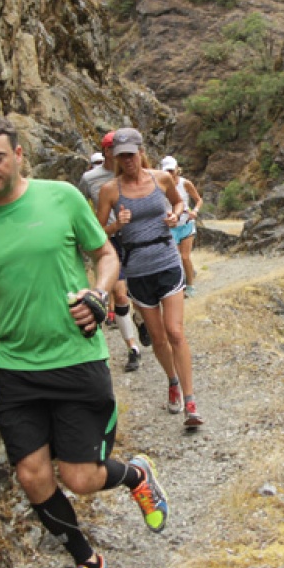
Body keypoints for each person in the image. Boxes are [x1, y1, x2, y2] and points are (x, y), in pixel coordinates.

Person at [0, 115, 169, 568]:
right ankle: (88, 563)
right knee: (32, 475)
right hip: (15, 369)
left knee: (82, 477)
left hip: (77, 359)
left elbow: (105, 254)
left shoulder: (62, 198)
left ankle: (134, 474)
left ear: (18, 154)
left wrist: (97, 291)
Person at [95, 129, 204, 427]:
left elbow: (178, 202)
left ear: (141, 152)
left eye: (131, 154)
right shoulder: (110, 191)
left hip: (166, 259)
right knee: (157, 337)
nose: (128, 161)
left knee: (175, 332)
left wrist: (175, 216)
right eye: (121, 156)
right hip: (137, 267)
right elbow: (96, 232)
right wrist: (117, 225)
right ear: (114, 158)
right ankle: (171, 381)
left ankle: (190, 401)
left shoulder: (161, 178)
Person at [78, 132, 146, 372]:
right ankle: (132, 348)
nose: (119, 155)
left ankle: (140, 320)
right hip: (109, 239)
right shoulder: (90, 179)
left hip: (136, 236)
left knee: (136, 290)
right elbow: (79, 206)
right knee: (118, 292)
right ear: (106, 151)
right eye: (113, 150)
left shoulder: (131, 172)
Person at [160, 155, 203, 298]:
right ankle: (181, 283)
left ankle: (190, 286)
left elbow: (198, 200)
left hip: (186, 224)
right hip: (170, 227)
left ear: (177, 169)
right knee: (175, 259)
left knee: (185, 257)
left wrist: (195, 211)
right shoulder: (159, 185)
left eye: (171, 170)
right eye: (167, 171)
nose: (169, 174)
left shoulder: (185, 184)